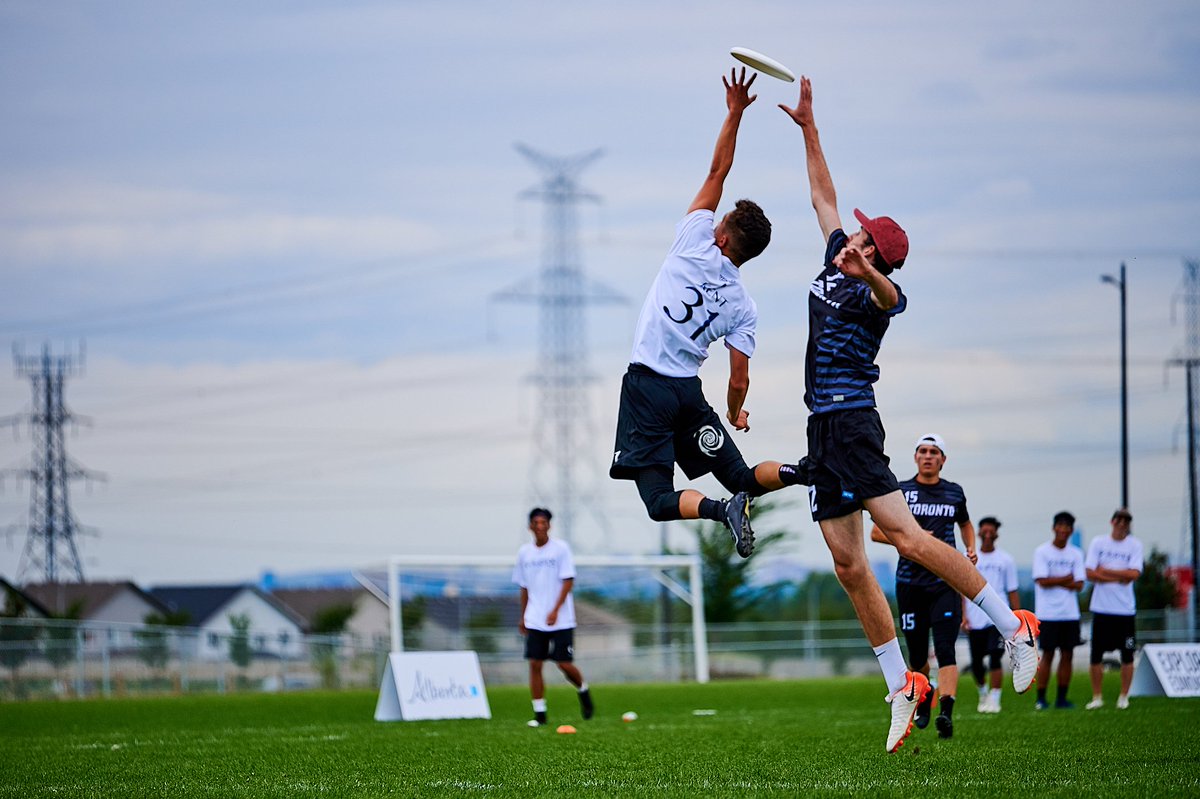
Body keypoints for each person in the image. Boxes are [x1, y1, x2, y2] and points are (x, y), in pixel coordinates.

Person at [780, 76, 1039, 754]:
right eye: (855, 232)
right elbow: (821, 194)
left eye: (862, 236)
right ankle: (904, 685)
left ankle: (1014, 627)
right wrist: (809, 126)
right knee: (847, 562)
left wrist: (869, 272)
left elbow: (896, 300)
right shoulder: (834, 254)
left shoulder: (874, 292)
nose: (851, 232)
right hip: (821, 430)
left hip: (854, 423)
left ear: (873, 252)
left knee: (912, 539)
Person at [609, 68, 802, 558]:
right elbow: (738, 380)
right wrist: (735, 414)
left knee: (656, 500)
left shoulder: (693, 243)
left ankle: (722, 512)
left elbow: (718, 172)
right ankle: (808, 470)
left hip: (649, 389)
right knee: (741, 476)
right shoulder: (745, 307)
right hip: (688, 397)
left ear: (720, 235)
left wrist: (734, 111)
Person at [870, 433, 975, 739]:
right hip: (910, 583)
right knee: (917, 657)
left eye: (934, 452)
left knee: (946, 649)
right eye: (923, 451)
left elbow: (965, 523)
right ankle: (925, 698)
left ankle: (946, 713)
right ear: (916, 457)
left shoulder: (954, 493)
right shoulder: (901, 491)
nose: (928, 456)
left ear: (943, 459)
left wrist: (970, 547)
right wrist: (913, 539)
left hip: (945, 582)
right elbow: (877, 532)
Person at [512, 507, 594, 727]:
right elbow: (524, 587)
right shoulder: (524, 553)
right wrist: (523, 616)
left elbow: (568, 580)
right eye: (536, 523)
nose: (540, 526)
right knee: (535, 664)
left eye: (543, 522)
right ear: (530, 526)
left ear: (549, 525)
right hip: (535, 618)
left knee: (564, 664)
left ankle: (583, 690)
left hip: (561, 619)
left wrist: (556, 609)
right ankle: (540, 714)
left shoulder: (560, 549)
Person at [1085, 507, 1144, 710]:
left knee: (1127, 654)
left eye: (1125, 521)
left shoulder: (1134, 545)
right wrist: (1120, 575)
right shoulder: (1098, 543)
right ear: (1112, 522)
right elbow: (1090, 572)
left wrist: (1106, 571)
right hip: (1101, 609)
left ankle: (1123, 696)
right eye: (1118, 520)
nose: (1121, 524)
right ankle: (1097, 696)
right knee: (1096, 655)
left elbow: (1134, 574)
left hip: (1125, 610)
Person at [963, 516, 1021, 714]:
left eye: (992, 531)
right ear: (979, 533)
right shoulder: (970, 558)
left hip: (997, 619)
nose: (988, 534)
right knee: (977, 664)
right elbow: (961, 589)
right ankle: (983, 693)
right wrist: (963, 616)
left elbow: (1012, 590)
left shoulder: (1005, 560)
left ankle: (995, 698)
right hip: (975, 617)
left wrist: (1016, 618)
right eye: (984, 530)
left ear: (996, 534)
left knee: (995, 658)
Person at [1032, 511, 1086, 710]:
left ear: (1071, 530)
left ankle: (1062, 698)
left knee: (1068, 654)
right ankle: (1041, 698)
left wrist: (1056, 580)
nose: (1063, 530)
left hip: (1070, 613)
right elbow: (1042, 581)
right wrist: (1066, 578)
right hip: (1048, 613)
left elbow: (1080, 584)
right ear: (1054, 527)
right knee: (1047, 655)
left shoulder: (1076, 553)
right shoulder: (1042, 552)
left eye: (1067, 526)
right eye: (1060, 525)